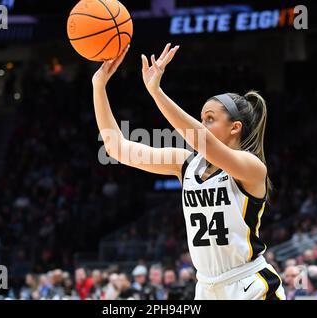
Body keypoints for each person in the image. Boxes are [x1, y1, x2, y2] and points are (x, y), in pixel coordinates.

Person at [92, 43, 285, 300]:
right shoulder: (187, 164)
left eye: (210, 119)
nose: (202, 124)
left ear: (235, 127)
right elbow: (117, 148)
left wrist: (156, 93)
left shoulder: (251, 167)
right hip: (206, 287)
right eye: (202, 118)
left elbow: (200, 140)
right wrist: (98, 86)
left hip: (249, 284)